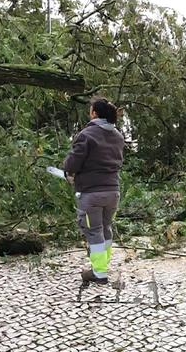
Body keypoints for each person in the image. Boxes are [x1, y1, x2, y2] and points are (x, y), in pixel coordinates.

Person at [63, 97, 125, 284]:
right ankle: (102, 266)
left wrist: (69, 172)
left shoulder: (86, 135)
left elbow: (73, 161)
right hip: (113, 192)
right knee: (105, 228)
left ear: (95, 113)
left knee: (94, 231)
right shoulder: (118, 136)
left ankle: (99, 273)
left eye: (90, 110)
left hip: (91, 194)